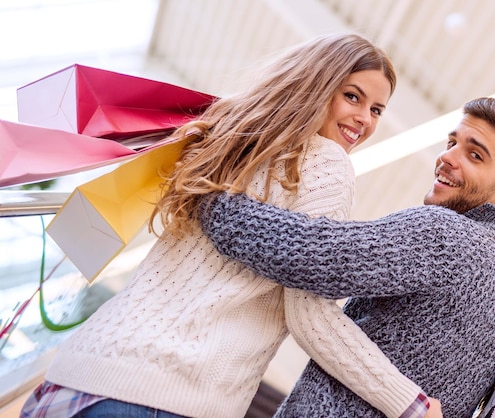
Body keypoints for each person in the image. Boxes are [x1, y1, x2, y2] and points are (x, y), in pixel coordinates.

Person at [20, 33, 443, 418]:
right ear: (317, 86)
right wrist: (409, 403)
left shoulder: (222, 146)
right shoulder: (327, 163)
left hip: (72, 380)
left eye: (376, 110)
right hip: (169, 395)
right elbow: (308, 311)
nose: (365, 119)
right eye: (352, 97)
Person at [200, 97, 495, 417]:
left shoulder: (447, 234)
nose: (447, 157)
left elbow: (314, 255)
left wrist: (207, 196)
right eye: (452, 143)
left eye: (474, 154)